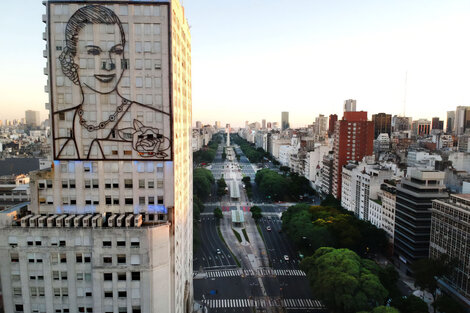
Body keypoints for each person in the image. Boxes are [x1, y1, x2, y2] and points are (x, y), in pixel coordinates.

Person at [53, 4, 170, 159]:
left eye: (116, 51)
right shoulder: (59, 121)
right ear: (72, 57)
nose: (108, 64)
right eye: (94, 52)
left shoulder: (159, 118)